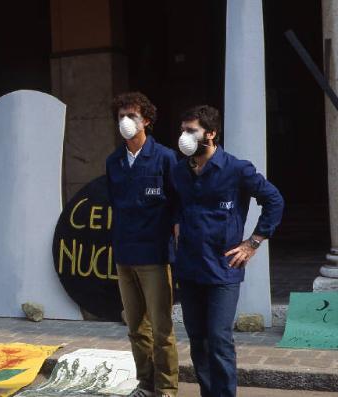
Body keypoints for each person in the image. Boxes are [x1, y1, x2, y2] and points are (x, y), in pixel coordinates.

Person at [172, 105, 284, 397]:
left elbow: (274, 200)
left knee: (219, 338)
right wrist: (175, 225)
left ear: (210, 133)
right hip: (189, 268)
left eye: (191, 130)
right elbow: (173, 204)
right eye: (182, 130)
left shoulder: (236, 169)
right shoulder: (179, 171)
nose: (184, 136)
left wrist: (253, 242)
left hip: (223, 270)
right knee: (198, 340)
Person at [105, 92, 179, 397]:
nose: (126, 121)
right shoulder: (114, 161)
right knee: (136, 327)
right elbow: (114, 203)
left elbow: (177, 205)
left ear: (146, 119)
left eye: (132, 115)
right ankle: (146, 383)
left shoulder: (165, 158)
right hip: (124, 254)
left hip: (155, 255)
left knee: (162, 330)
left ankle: (167, 388)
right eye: (121, 116)